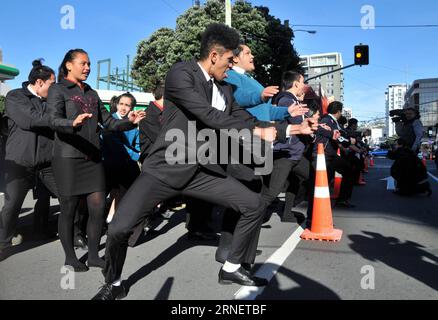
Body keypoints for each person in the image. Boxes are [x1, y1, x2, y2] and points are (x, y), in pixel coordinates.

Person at [92, 23, 315, 300]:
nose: (231, 66)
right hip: (165, 168)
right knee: (118, 229)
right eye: (229, 60)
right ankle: (113, 283)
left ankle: (231, 267)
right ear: (213, 55)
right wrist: (256, 132)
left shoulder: (225, 88)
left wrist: (290, 129)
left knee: (254, 204)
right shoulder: (181, 73)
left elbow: (244, 118)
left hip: (201, 170)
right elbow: (208, 115)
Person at [47, 49, 145, 272]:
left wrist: (129, 122)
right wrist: (71, 124)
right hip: (68, 158)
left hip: (93, 158)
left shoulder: (91, 93)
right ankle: (70, 258)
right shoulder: (58, 89)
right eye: (83, 63)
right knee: (69, 209)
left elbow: (110, 122)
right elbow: (52, 119)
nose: (88, 67)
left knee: (99, 208)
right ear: (69, 66)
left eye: (89, 64)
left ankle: (92, 255)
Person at [0, 60, 58, 255]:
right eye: (52, 83)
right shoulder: (15, 96)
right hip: (20, 162)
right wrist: (58, 120)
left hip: (46, 162)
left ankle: (43, 231)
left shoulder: (51, 100)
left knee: (62, 197)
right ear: (40, 82)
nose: (55, 88)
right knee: (13, 204)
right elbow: (30, 120)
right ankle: (4, 239)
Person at [102, 92, 141, 223]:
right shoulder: (110, 121)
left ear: (132, 108)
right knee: (102, 196)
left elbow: (136, 143)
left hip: (125, 165)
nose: (123, 108)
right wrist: (136, 155)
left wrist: (138, 152)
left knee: (121, 194)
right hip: (108, 164)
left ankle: (112, 219)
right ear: (117, 104)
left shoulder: (133, 124)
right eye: (121, 104)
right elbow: (116, 145)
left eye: (127, 105)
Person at [224, 43, 290, 121]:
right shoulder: (230, 75)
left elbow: (267, 110)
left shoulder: (250, 79)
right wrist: (260, 96)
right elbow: (236, 97)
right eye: (247, 53)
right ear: (235, 58)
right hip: (248, 130)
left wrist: (288, 111)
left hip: (262, 129)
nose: (252, 56)